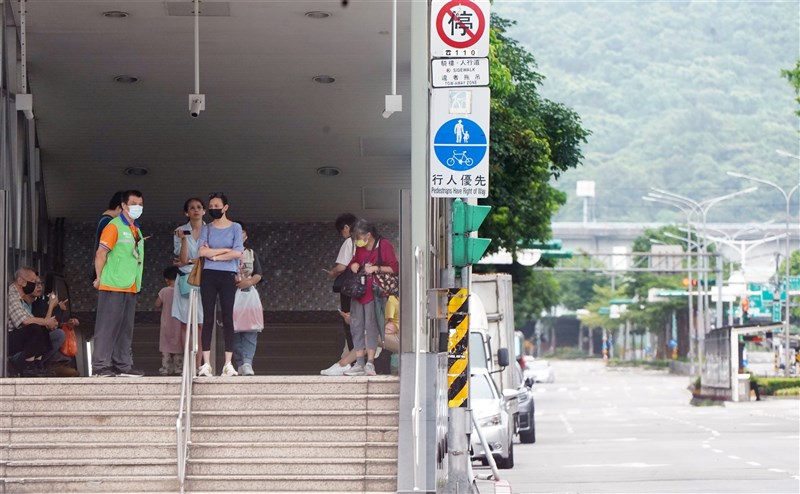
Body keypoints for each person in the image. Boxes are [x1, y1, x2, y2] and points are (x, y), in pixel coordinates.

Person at [92, 190, 146, 377]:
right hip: (112, 283)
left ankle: (122, 364)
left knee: (125, 327)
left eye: (140, 204)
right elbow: (101, 253)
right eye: (133, 203)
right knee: (108, 326)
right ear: (123, 205)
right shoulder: (113, 226)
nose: (137, 207)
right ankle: (100, 365)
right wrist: (99, 278)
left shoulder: (136, 229)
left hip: (130, 284)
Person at [344, 219, 398, 377]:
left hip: (374, 293)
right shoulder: (359, 247)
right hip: (358, 292)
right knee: (356, 326)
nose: (357, 241)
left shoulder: (384, 245)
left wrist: (375, 268)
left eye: (359, 237)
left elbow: (395, 268)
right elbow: (355, 261)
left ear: (369, 235)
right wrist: (353, 265)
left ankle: (370, 363)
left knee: (371, 326)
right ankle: (359, 363)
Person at [197, 193, 243, 377]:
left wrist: (214, 255)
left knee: (227, 317)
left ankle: (228, 363)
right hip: (208, 275)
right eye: (211, 205)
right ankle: (206, 363)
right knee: (207, 318)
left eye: (217, 205)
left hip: (227, 276)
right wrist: (226, 250)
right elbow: (201, 251)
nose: (213, 208)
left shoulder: (236, 227)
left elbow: (238, 252)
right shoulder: (206, 228)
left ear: (225, 207)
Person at [7, 267, 63, 377]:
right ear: (20, 281)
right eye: (33, 281)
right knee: (34, 328)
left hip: (17, 337)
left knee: (41, 328)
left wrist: (46, 322)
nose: (35, 285)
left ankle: (37, 365)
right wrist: (46, 321)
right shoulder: (11, 295)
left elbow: (35, 320)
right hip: (6, 340)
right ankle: (28, 366)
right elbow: (24, 320)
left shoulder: (21, 299)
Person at [320, 213, 357, 376]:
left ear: (347, 227)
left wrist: (332, 273)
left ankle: (354, 362)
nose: (343, 235)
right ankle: (363, 363)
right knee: (364, 326)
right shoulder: (373, 242)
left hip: (352, 289)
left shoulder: (350, 241)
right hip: (369, 291)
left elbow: (342, 266)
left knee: (351, 323)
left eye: (342, 231)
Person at [172, 197, 206, 368]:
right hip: (186, 280)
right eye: (192, 208)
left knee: (200, 324)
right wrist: (185, 240)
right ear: (187, 212)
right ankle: (188, 363)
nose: (196, 210)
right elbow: (182, 258)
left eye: (199, 207)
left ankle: (199, 364)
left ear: (204, 211)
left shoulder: (211, 230)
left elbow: (210, 256)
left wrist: (191, 261)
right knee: (186, 323)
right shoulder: (180, 231)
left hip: (204, 279)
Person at [232, 224, 264, 376]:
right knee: (234, 331)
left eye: (242, 233)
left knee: (250, 330)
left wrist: (248, 282)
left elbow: (258, 274)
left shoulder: (251, 253)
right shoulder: (227, 253)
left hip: (249, 296)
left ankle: (247, 363)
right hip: (232, 296)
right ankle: (239, 363)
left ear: (245, 236)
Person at [155, 266, 183, 376]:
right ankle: (179, 368)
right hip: (179, 324)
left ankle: (166, 368)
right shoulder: (181, 291)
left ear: (166, 279)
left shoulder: (164, 291)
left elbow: (157, 304)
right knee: (179, 346)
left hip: (166, 324)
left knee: (166, 347)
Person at [91, 191, 124, 282]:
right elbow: (104, 250)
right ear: (119, 208)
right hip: (107, 272)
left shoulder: (104, 220)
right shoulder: (108, 223)